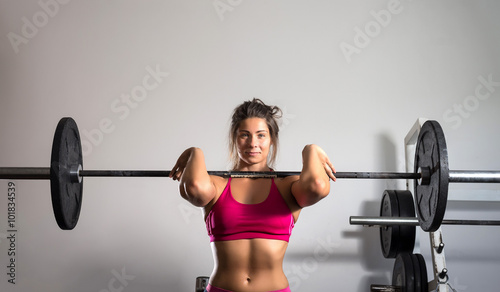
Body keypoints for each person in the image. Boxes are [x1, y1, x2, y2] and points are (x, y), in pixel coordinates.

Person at [169, 98, 336, 292]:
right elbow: (194, 187)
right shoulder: (217, 184)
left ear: (271, 139)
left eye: (261, 135)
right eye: (244, 135)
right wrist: (194, 153)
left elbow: (317, 186)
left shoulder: (287, 186)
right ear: (234, 138)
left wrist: (311, 150)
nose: (253, 143)